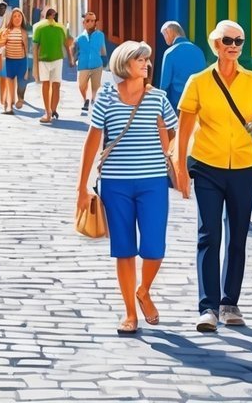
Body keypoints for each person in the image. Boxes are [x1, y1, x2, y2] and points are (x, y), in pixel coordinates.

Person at [174, 20, 252, 333]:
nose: (233, 46)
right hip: (206, 164)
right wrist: (179, 167)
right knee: (209, 234)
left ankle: (230, 302)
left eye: (238, 41)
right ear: (216, 44)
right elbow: (184, 128)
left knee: (238, 235)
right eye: (227, 40)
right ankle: (208, 308)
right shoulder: (199, 81)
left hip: (244, 165)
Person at [76, 41, 178, 335]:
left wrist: (177, 167)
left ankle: (143, 290)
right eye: (140, 60)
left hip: (153, 183)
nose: (147, 64)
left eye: (147, 60)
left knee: (154, 248)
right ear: (124, 64)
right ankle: (130, 313)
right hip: (115, 184)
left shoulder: (158, 98)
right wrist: (81, 187)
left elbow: (175, 133)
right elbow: (93, 141)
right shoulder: (106, 98)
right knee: (124, 250)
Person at [32, 8, 72, 124]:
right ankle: (50, 111)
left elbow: (35, 48)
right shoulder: (60, 28)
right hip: (51, 59)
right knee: (54, 85)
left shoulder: (40, 27)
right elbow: (67, 44)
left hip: (49, 59)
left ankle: (50, 111)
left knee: (50, 85)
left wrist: (35, 66)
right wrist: (70, 59)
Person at [160, 21, 206, 110]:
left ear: (168, 32)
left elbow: (164, 86)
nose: (165, 39)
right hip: (198, 101)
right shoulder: (199, 51)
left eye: (164, 35)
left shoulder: (170, 52)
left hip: (178, 103)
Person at [0, 8, 30, 116]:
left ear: (22, 18)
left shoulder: (23, 33)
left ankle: (20, 98)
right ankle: (9, 107)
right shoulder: (7, 31)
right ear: (11, 19)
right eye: (15, 16)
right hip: (9, 61)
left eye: (19, 16)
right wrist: (1, 38)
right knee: (9, 84)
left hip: (21, 61)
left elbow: (26, 49)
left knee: (21, 84)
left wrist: (27, 66)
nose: (17, 18)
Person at [73, 11, 108, 115]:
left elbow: (103, 49)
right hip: (83, 65)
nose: (90, 23)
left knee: (96, 86)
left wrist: (105, 61)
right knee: (81, 86)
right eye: (88, 21)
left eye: (93, 21)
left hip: (97, 64)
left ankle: (92, 100)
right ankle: (85, 99)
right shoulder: (79, 38)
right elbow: (75, 52)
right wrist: (73, 60)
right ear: (84, 23)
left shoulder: (100, 35)